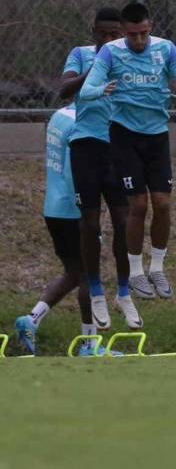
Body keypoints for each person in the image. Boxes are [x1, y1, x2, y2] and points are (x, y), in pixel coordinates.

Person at [79, 2, 176, 302]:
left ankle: (157, 267)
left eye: (144, 34)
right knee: (139, 206)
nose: (139, 41)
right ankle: (135, 272)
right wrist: (102, 89)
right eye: (133, 35)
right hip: (124, 135)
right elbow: (86, 89)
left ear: (151, 27)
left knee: (162, 203)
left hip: (157, 136)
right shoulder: (111, 52)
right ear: (124, 32)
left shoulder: (166, 50)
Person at [58, 7, 135, 330]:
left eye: (113, 35)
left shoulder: (133, 58)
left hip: (119, 146)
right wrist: (95, 71)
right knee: (89, 223)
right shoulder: (81, 55)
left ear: (123, 34)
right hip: (86, 145)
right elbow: (63, 90)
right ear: (93, 33)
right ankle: (96, 288)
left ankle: (124, 290)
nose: (107, 40)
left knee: (123, 220)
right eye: (101, 34)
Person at [14, 104, 98, 355]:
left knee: (74, 272)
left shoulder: (59, 116)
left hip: (53, 206)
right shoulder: (82, 123)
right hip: (74, 210)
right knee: (89, 276)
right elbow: (76, 174)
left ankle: (32, 319)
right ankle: (89, 344)